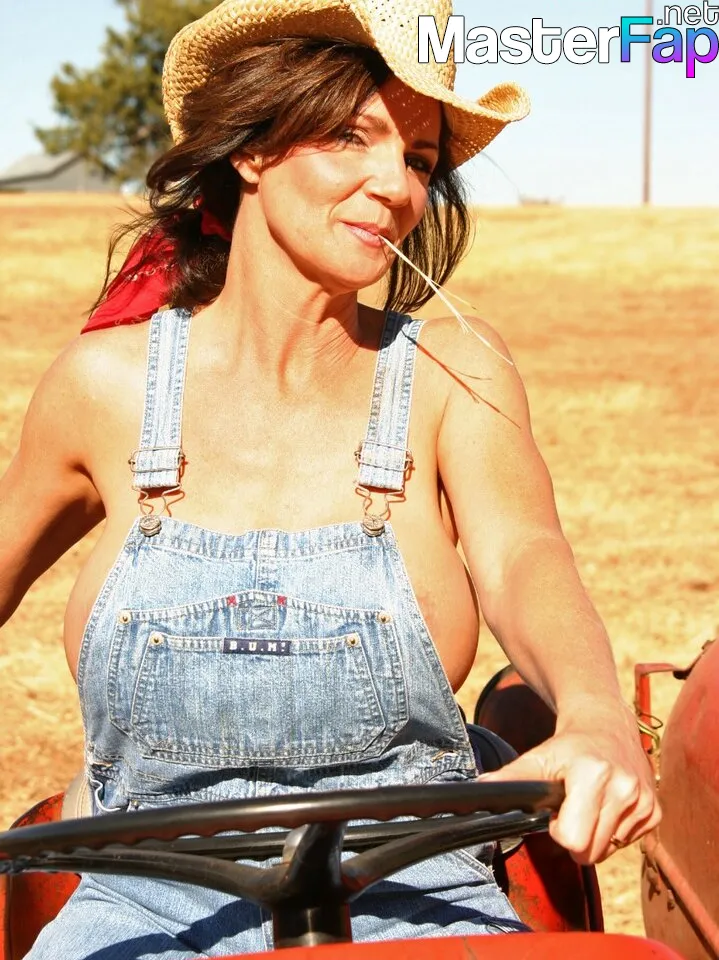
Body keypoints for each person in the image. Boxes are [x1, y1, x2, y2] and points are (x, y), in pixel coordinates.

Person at [0, 0, 660, 956]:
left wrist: (596, 716)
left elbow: (523, 556)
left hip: (419, 897)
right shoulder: (103, 386)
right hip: (138, 906)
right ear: (252, 149)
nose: (393, 186)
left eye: (420, 160)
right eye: (351, 135)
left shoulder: (451, 372)